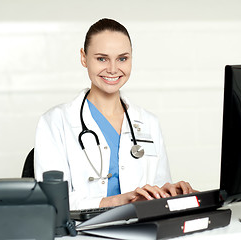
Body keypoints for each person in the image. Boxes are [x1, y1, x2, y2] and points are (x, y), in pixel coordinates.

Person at [34, 18, 195, 210]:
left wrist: (170, 193)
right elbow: (52, 202)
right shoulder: (55, 122)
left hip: (140, 229)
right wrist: (117, 201)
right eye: (102, 58)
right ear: (83, 58)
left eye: (122, 59)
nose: (112, 69)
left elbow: (157, 195)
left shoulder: (148, 122)